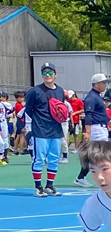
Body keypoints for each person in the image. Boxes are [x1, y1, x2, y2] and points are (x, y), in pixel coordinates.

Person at [24, 61, 68, 197]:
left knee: (54, 158)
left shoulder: (60, 91)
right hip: (40, 130)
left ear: (55, 75)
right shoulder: (34, 91)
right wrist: (39, 121)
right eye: (44, 72)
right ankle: (38, 187)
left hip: (56, 130)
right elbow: (28, 109)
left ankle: (49, 185)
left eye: (50, 72)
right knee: (39, 159)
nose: (47, 75)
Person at [73, 74, 111, 188]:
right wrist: (88, 131)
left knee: (97, 154)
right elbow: (88, 115)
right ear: (96, 84)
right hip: (96, 128)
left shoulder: (97, 96)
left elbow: (102, 115)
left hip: (101, 127)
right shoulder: (91, 97)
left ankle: (81, 176)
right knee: (98, 153)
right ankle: (83, 176)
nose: (105, 85)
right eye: (103, 83)